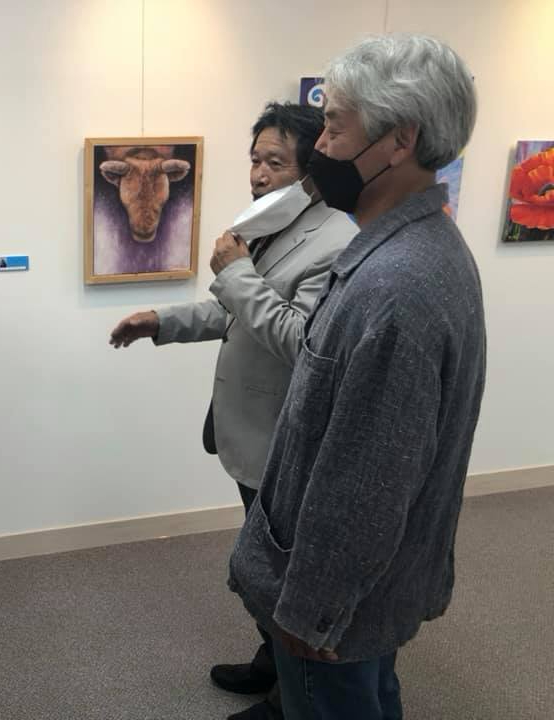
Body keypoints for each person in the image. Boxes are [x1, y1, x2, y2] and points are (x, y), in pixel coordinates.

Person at [228, 34, 484, 720]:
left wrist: (312, 614)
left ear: (399, 141)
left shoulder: (397, 284)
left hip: (331, 607)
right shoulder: (411, 250)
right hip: (363, 593)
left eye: (335, 126)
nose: (320, 147)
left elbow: (368, 485)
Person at [109, 103, 357, 720]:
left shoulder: (337, 240)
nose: (258, 175)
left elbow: (302, 340)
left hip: (286, 443)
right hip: (251, 436)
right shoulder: (272, 226)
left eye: (275, 162)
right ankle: (272, 661)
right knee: (264, 567)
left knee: (286, 576)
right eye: (254, 160)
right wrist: (160, 321)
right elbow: (235, 312)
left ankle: (287, 699)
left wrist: (238, 272)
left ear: (311, 171)